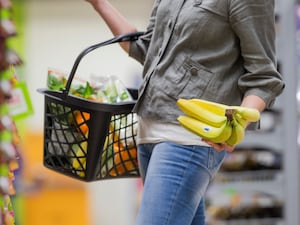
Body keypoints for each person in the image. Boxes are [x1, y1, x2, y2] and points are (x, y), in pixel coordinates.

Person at [84, 0, 285, 224]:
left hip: (189, 138)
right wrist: (99, 4)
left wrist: (234, 126)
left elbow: (264, 77)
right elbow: (149, 50)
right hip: (148, 132)